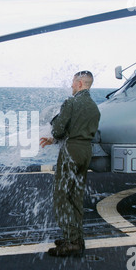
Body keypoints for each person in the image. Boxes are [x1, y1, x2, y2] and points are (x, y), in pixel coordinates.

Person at [40, 71, 100, 257]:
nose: (72, 86)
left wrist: (54, 124)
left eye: (73, 83)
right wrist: (55, 139)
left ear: (80, 83)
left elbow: (58, 130)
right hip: (85, 151)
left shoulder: (70, 103)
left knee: (61, 195)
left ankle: (71, 241)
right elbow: (80, 130)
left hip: (71, 151)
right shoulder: (94, 107)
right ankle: (77, 237)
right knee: (75, 195)